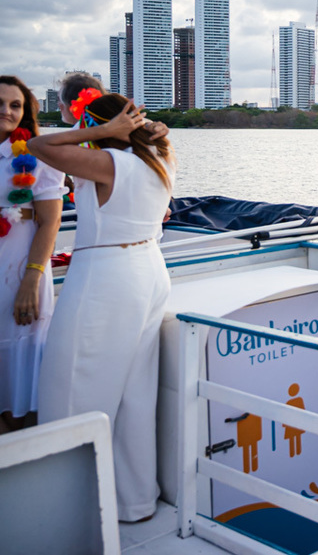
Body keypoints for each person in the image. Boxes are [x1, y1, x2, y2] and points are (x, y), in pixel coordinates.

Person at [29, 92, 175, 522]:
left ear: (103, 125)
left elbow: (39, 147)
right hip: (149, 270)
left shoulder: (110, 163)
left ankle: (64, 512)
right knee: (134, 392)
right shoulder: (159, 158)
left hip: (107, 276)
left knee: (73, 383)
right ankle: (134, 501)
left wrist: (103, 133)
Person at [0, 76, 65, 434]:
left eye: (15, 105)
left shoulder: (36, 156)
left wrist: (31, 278)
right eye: (0, 103)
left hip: (19, 271)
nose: (6, 111)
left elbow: (50, 223)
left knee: (17, 361)